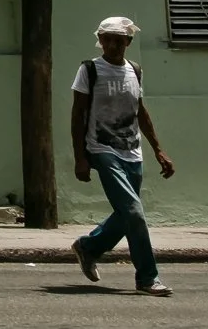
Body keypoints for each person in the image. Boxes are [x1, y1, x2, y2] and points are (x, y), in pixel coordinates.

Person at [69, 15, 175, 296]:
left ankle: (88, 246)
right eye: (108, 40)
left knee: (127, 213)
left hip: (132, 151)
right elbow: (77, 114)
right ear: (100, 41)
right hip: (102, 149)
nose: (113, 45)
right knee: (134, 212)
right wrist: (80, 157)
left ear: (128, 42)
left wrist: (158, 149)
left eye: (120, 41)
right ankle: (147, 278)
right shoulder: (90, 70)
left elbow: (140, 111)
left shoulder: (135, 71)